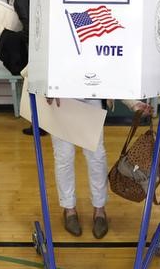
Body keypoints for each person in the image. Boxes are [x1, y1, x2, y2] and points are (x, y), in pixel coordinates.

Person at [45, 97, 153, 238]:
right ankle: (69, 209)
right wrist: (46, 86)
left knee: (96, 157)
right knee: (64, 156)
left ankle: (99, 210)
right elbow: (37, 74)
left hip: (91, 96)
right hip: (60, 97)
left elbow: (110, 75)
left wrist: (133, 103)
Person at [0, 0, 47, 137]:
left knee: (34, 87)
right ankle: (45, 124)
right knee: (44, 88)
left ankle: (38, 126)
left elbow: (32, 32)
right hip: (51, 47)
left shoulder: (20, 1)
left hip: (41, 50)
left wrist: (12, 36)